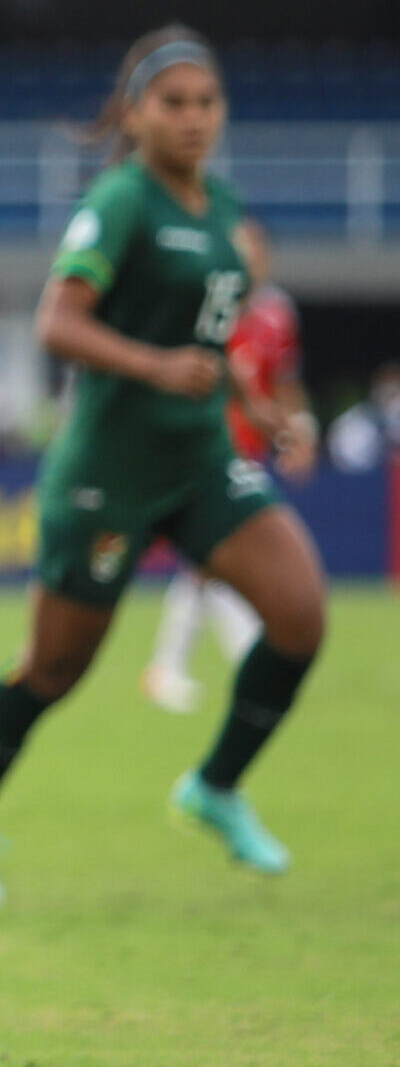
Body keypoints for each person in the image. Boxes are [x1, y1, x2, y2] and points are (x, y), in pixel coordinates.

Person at [0, 26, 329, 908]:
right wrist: (153, 366)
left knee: (300, 614)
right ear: (136, 112)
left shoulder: (219, 209)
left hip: (199, 456)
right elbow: (56, 323)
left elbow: (208, 340)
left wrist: (255, 406)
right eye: (172, 103)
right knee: (55, 669)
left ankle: (215, 788)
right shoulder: (120, 201)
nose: (191, 119)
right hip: (107, 469)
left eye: (205, 103)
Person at [142, 219, 316, 712]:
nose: (248, 262)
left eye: (255, 253)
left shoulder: (277, 314)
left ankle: (179, 663)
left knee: (213, 561)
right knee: (217, 554)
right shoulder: (207, 303)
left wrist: (298, 428)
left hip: (250, 446)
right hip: (207, 447)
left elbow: (282, 381)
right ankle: (231, 653)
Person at [326, 361, 400, 473]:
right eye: (388, 392)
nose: (392, 400)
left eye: (394, 392)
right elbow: (341, 462)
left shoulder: (395, 420)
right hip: (354, 482)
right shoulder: (352, 424)